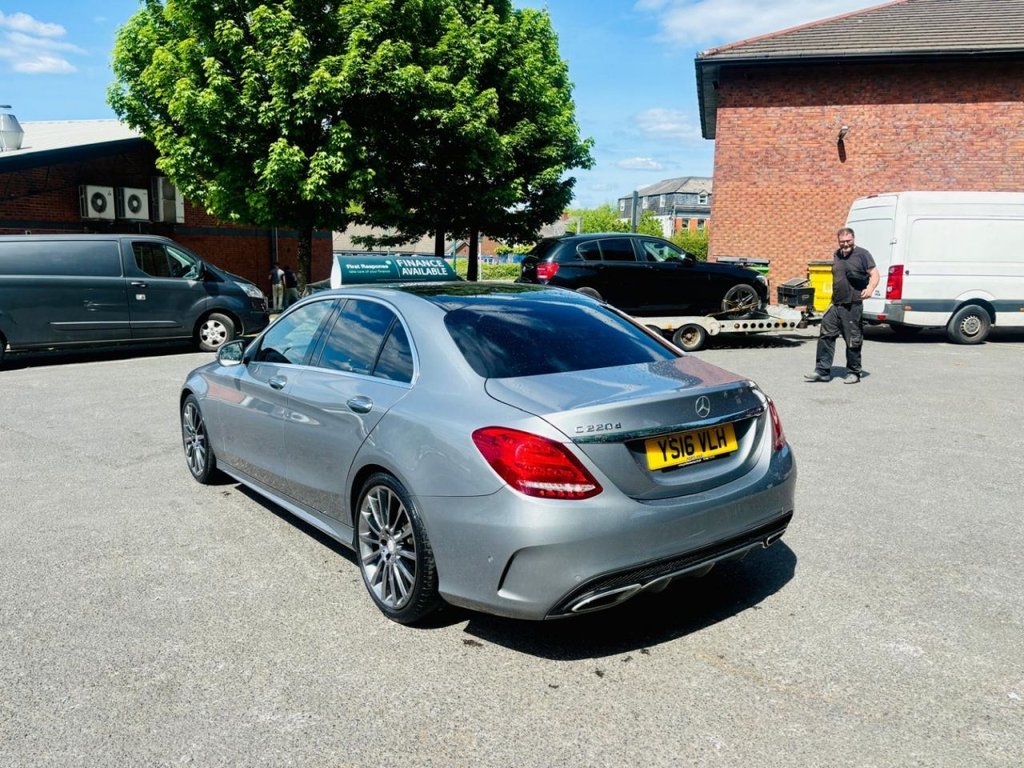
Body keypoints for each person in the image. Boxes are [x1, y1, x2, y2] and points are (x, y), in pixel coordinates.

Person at [804, 227, 880, 384]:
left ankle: (854, 372)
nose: (845, 244)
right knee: (826, 334)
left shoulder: (863, 254)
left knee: (852, 338)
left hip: (853, 304)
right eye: (842, 242)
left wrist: (871, 288)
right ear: (838, 242)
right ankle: (822, 371)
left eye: (848, 241)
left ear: (854, 239)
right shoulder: (837, 254)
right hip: (836, 303)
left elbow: (875, 274)